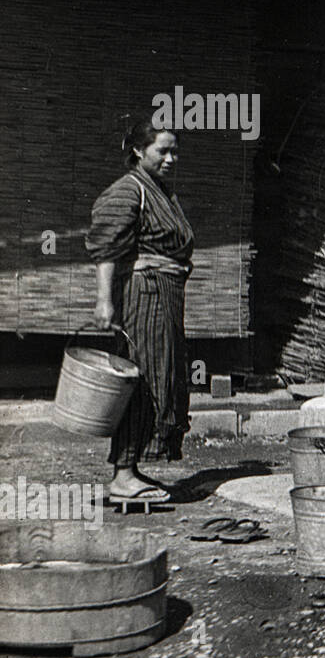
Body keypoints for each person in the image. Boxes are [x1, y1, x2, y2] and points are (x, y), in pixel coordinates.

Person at [86, 121, 194, 505]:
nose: (170, 158)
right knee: (142, 376)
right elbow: (105, 248)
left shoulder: (161, 192)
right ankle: (124, 474)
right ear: (138, 151)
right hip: (144, 295)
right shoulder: (129, 190)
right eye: (161, 151)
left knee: (160, 376)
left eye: (174, 151)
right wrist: (104, 300)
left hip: (164, 295)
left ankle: (132, 467)